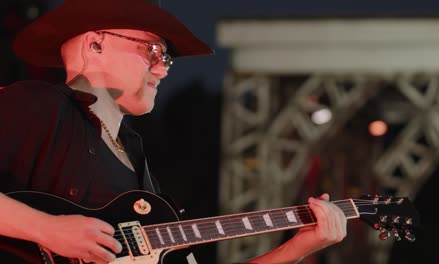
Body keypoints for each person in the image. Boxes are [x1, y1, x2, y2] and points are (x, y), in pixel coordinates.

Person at [0, 0, 347, 263]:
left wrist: (299, 248)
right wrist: (47, 229)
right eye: (152, 51)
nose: (162, 70)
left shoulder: (138, 162)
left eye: (165, 60)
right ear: (95, 45)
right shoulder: (37, 104)